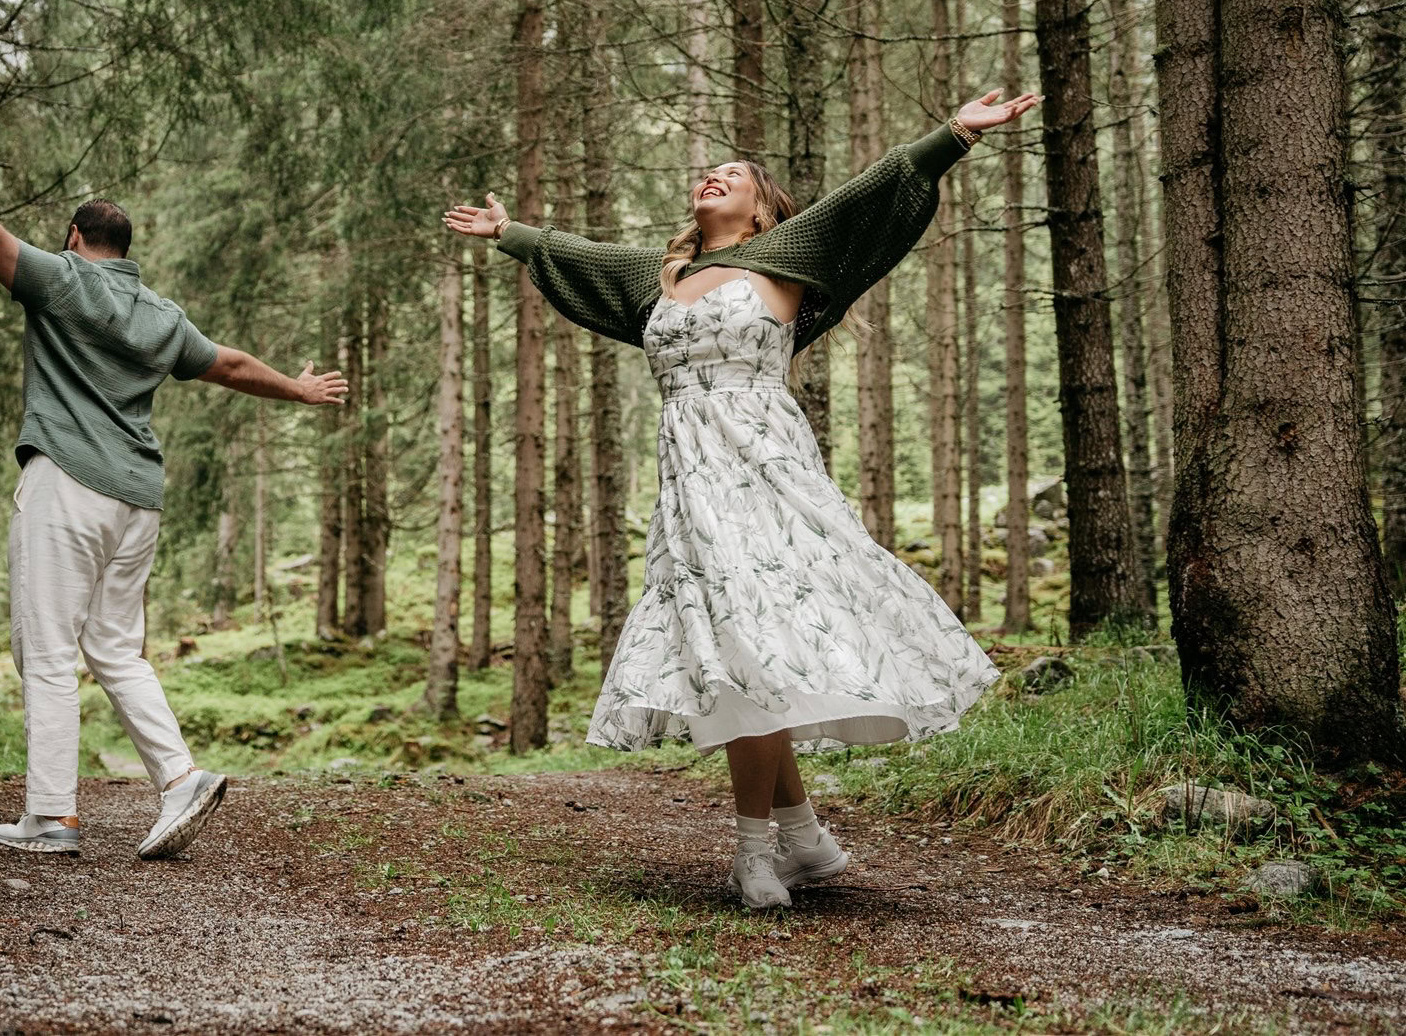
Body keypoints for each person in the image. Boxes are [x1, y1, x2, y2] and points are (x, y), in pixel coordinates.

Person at [444, 90, 1040, 909]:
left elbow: (873, 191)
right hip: (690, 480)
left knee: (753, 642)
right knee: (742, 648)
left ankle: (755, 852)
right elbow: (578, 254)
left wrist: (956, 134)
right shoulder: (662, 275)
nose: (713, 176)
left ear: (764, 211)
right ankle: (805, 841)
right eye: (708, 171)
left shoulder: (790, 252)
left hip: (765, 468)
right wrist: (511, 235)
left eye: (734, 174)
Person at [0, 104, 347, 861]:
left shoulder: (61, 281)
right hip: (137, 502)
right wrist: (296, 388)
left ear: (72, 239)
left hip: (67, 487)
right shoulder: (161, 315)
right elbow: (225, 363)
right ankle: (180, 775)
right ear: (126, 251)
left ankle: (52, 816)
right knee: (116, 648)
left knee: (49, 650)